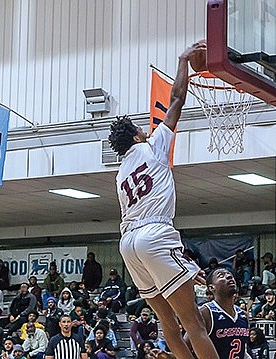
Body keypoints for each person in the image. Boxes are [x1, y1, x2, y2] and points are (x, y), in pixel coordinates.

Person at [108, 41, 218, 359]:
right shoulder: (152, 145)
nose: (146, 128)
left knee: (168, 325)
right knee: (193, 322)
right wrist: (183, 60)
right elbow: (177, 100)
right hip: (153, 233)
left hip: (128, 243)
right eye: (141, 128)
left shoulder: (120, 174)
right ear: (135, 136)